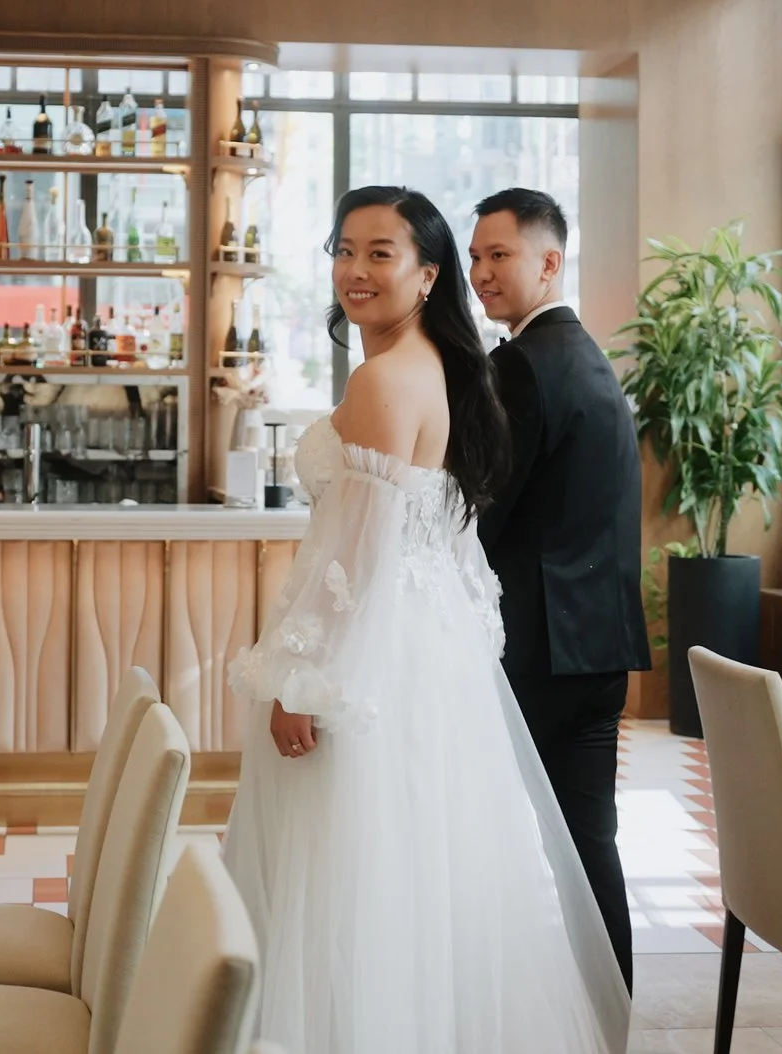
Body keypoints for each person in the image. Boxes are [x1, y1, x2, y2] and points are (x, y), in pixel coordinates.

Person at [223, 187, 626, 1054]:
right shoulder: (449, 370)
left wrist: (301, 679)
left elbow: (357, 564)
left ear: (424, 273)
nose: (355, 271)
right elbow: (440, 543)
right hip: (423, 656)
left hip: (369, 660)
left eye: (381, 253)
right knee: (415, 870)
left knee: (350, 873)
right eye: (344, 250)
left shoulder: (383, 379)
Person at [466, 187, 650, 992]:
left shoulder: (519, 364)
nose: (480, 273)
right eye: (474, 257)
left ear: (549, 260)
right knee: (588, 846)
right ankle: (607, 1018)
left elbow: (480, 513)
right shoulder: (588, 358)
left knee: (492, 841)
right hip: (597, 645)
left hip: (533, 649)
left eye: (498, 255)